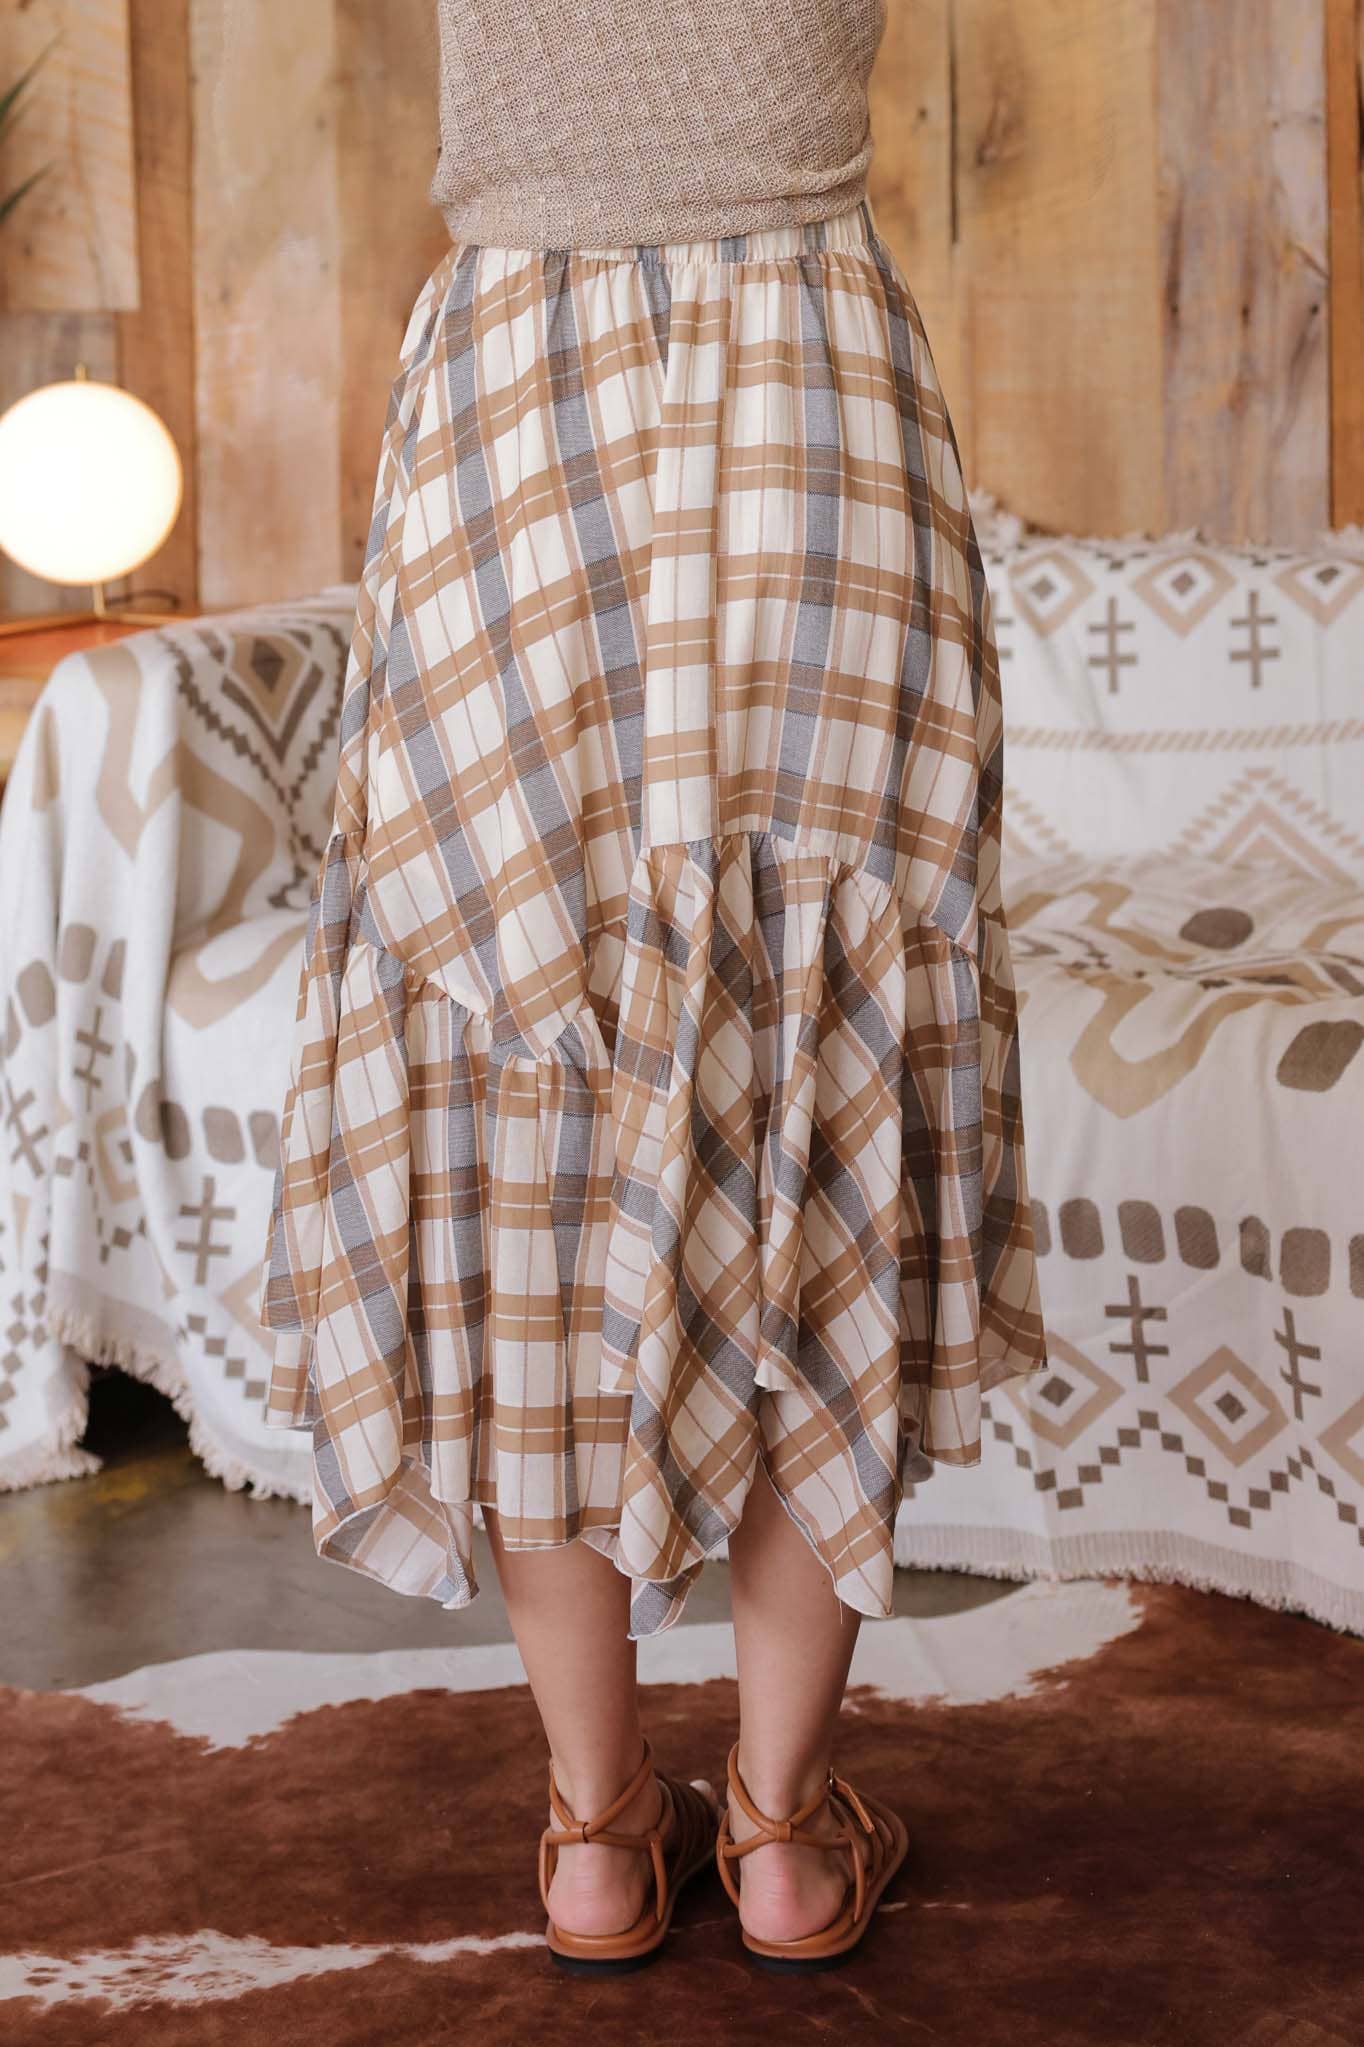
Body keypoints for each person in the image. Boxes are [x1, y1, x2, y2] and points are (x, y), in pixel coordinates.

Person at [259, 0, 1047, 1975]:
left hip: (519, 394)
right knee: (826, 1050)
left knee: (528, 1068)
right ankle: (778, 1834)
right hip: (814, 392)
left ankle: (601, 1835)